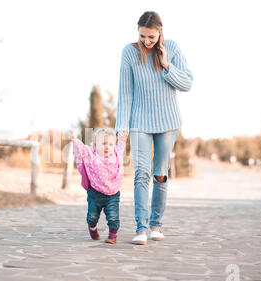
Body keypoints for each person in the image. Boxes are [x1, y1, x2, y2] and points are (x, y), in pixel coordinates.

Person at [115, 11, 193, 245]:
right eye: (142, 36)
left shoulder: (173, 49)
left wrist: (167, 65)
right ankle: (141, 228)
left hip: (168, 123)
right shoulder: (130, 53)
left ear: (160, 32)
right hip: (139, 121)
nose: (146, 41)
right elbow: (125, 92)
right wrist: (122, 126)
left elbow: (187, 83)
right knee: (141, 174)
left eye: (151, 37)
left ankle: (156, 225)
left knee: (160, 174)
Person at [68, 128, 128, 244]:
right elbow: (82, 150)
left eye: (110, 144)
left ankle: (112, 235)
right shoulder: (91, 155)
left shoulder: (116, 154)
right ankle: (92, 228)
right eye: (104, 144)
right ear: (95, 145)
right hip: (95, 193)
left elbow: (120, 145)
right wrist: (75, 140)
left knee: (113, 216)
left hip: (112, 194)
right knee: (92, 217)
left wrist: (123, 138)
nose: (107, 147)